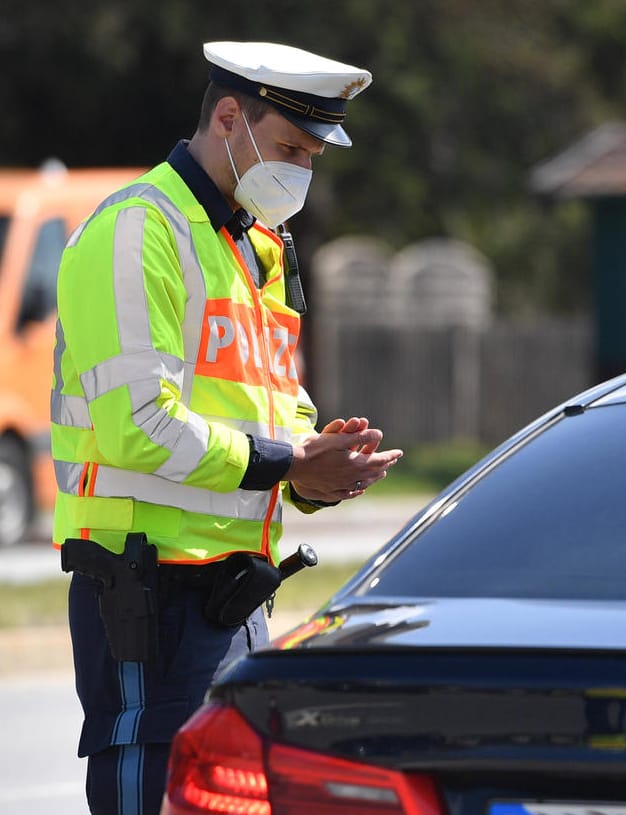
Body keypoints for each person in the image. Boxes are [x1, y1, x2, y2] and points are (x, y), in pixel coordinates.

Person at [49, 41, 402, 814]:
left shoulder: (258, 245)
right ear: (228, 117)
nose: (300, 172)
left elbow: (275, 400)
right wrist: (286, 465)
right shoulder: (136, 232)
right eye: (288, 149)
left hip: (237, 589)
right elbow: (141, 424)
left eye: (311, 157)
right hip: (144, 585)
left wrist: (320, 460)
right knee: (156, 772)